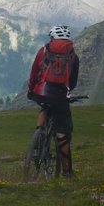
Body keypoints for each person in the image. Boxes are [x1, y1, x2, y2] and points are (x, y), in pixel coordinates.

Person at [27, 25, 80, 177]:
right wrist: (66, 92)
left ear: (52, 38)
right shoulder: (73, 57)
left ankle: (38, 136)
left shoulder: (43, 51)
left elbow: (34, 73)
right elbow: (73, 82)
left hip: (41, 93)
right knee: (62, 133)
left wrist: (31, 90)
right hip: (60, 97)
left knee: (44, 106)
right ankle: (67, 172)